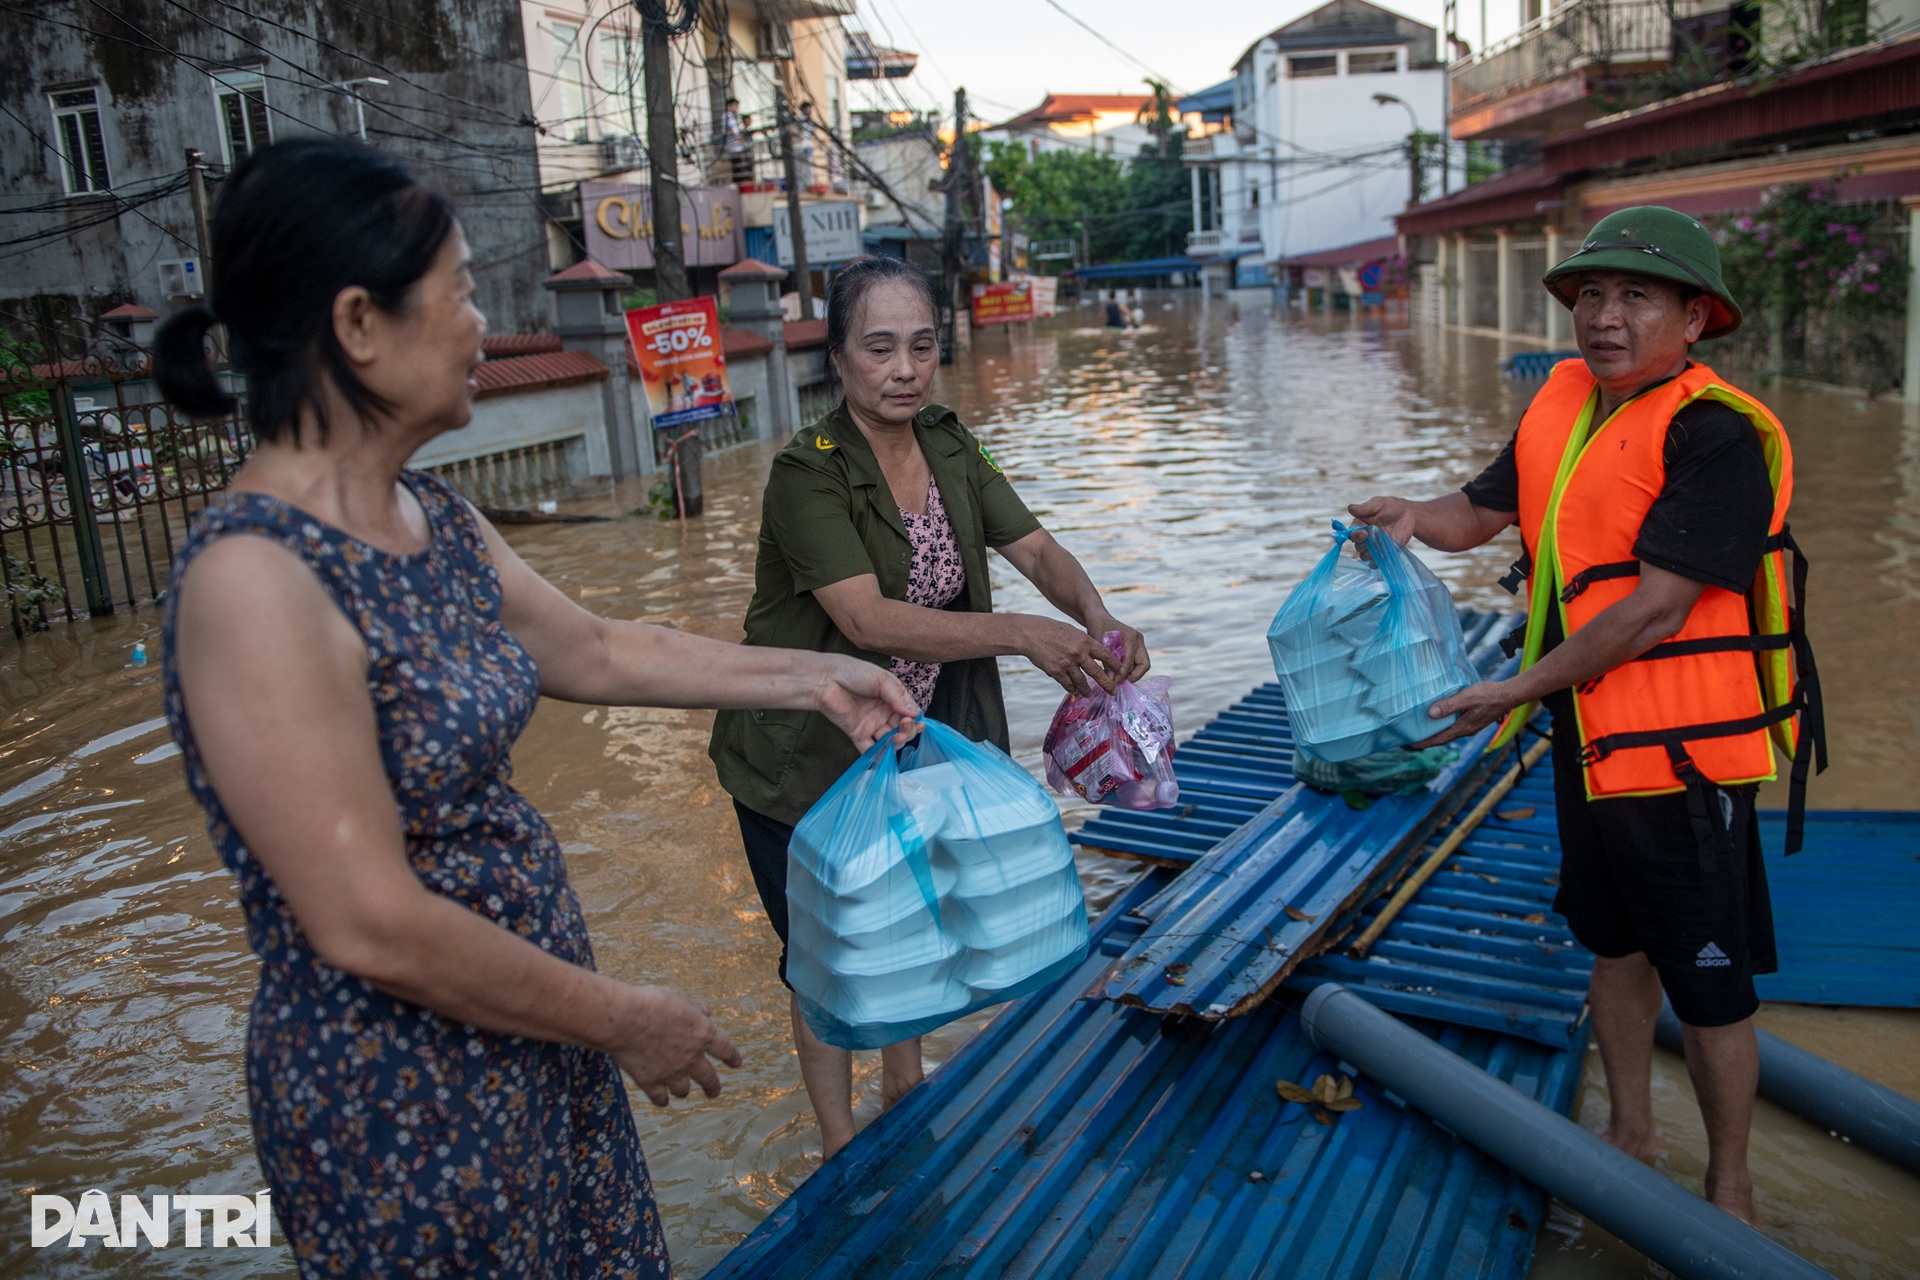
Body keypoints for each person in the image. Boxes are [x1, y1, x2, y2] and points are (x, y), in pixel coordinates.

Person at [152, 139, 918, 1277]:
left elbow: (602, 649)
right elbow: (365, 918)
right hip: (405, 1098)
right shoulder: (252, 578)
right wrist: (620, 1015)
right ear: (359, 323)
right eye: (460, 292)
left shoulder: (433, 516)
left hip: (537, 1041)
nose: (480, 325)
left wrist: (811, 677)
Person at [1346, 206, 1820, 1225]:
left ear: (1695, 318)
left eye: (1635, 295)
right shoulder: (1566, 401)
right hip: (1593, 740)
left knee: (1710, 979)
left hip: (1683, 755)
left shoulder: (1717, 434)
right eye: (1590, 295)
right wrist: (1409, 517)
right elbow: (1481, 510)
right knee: (1610, 945)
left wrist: (1514, 687)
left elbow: (1654, 606)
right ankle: (1632, 1134)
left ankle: (1729, 1187)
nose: (1604, 316)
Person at [708, 254, 1150, 1158]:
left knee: (904, 929)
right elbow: (865, 618)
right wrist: (1023, 635)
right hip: (808, 757)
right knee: (824, 963)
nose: (905, 368)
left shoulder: (950, 440)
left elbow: (1033, 549)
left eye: (921, 346)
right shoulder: (808, 471)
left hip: (909, 745)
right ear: (836, 358)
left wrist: (1097, 617)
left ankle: (904, 1099)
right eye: (880, 349)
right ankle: (840, 1149)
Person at [723, 96, 751, 185]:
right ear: (729, 106)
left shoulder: (734, 117)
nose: (737, 108)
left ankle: (740, 182)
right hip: (733, 147)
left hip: (737, 147)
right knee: (737, 166)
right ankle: (737, 183)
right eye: (735, 106)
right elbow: (731, 131)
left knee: (740, 165)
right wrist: (739, 139)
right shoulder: (727, 116)